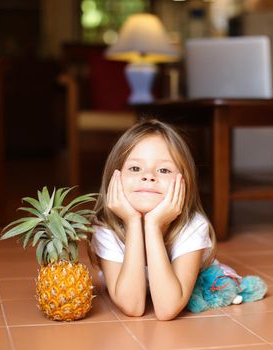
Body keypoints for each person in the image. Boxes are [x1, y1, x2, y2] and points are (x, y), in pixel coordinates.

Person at [89, 119, 220, 321]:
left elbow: (167, 308)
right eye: (135, 168)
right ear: (114, 178)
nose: (148, 176)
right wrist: (133, 223)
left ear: (184, 182)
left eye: (164, 170)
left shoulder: (192, 226)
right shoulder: (106, 227)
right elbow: (133, 306)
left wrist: (152, 225)